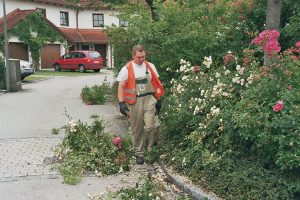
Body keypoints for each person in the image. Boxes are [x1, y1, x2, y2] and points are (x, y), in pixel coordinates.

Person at [116, 44, 165, 164]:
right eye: (139, 57)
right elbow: (121, 87)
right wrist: (121, 103)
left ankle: (150, 149)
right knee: (137, 128)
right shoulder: (127, 69)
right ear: (133, 55)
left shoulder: (150, 66)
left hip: (149, 99)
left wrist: (158, 99)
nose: (142, 59)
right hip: (135, 101)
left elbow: (156, 83)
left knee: (151, 126)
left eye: (143, 57)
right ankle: (139, 153)